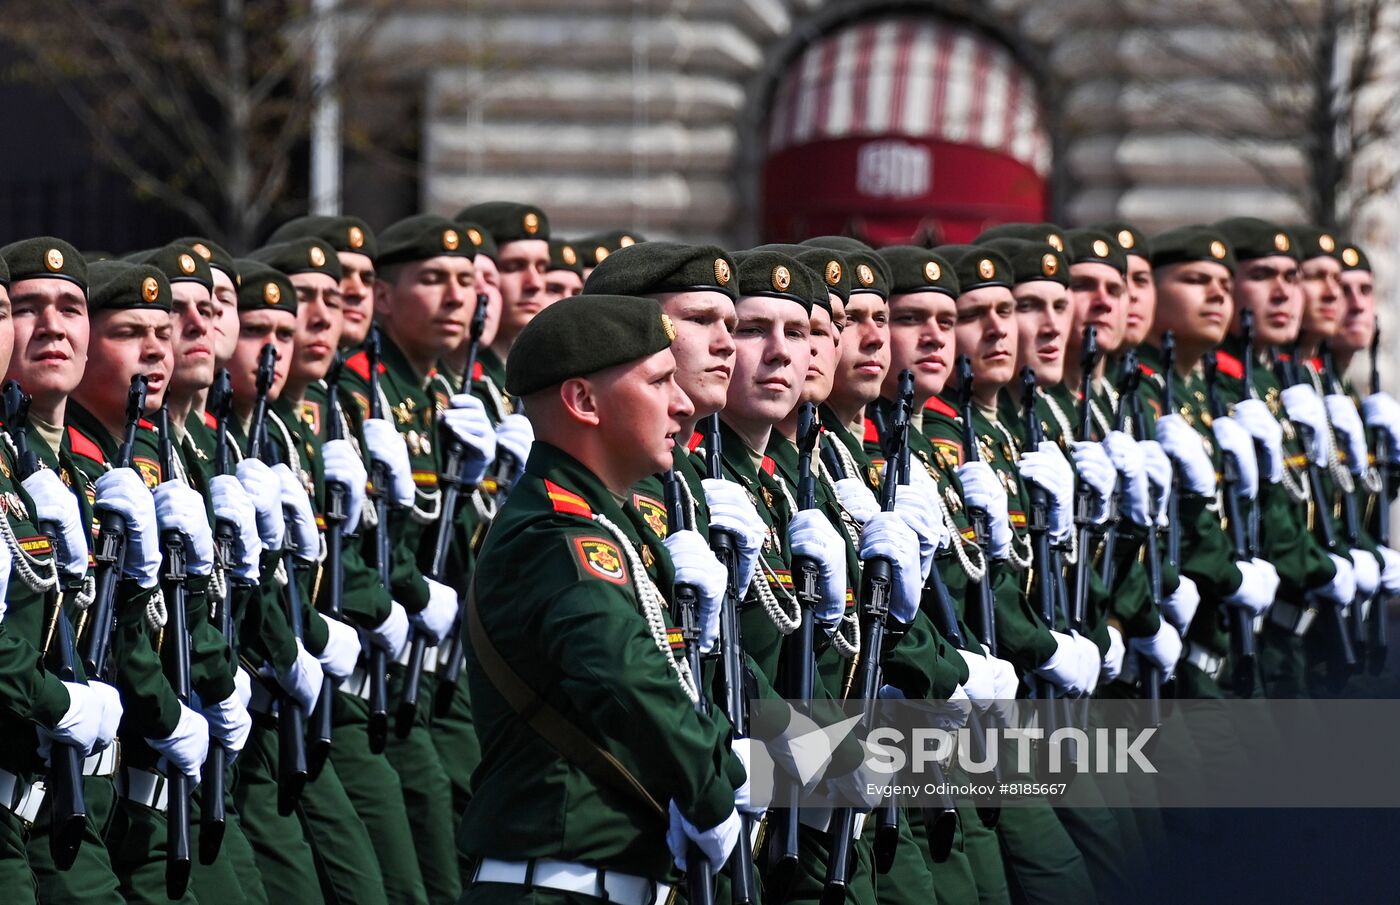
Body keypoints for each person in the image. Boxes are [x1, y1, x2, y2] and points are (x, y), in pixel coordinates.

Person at [460, 294, 745, 905]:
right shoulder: (554, 534)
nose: (683, 403)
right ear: (583, 401)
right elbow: (628, 678)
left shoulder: (614, 527)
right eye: (660, 381)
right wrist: (713, 791)